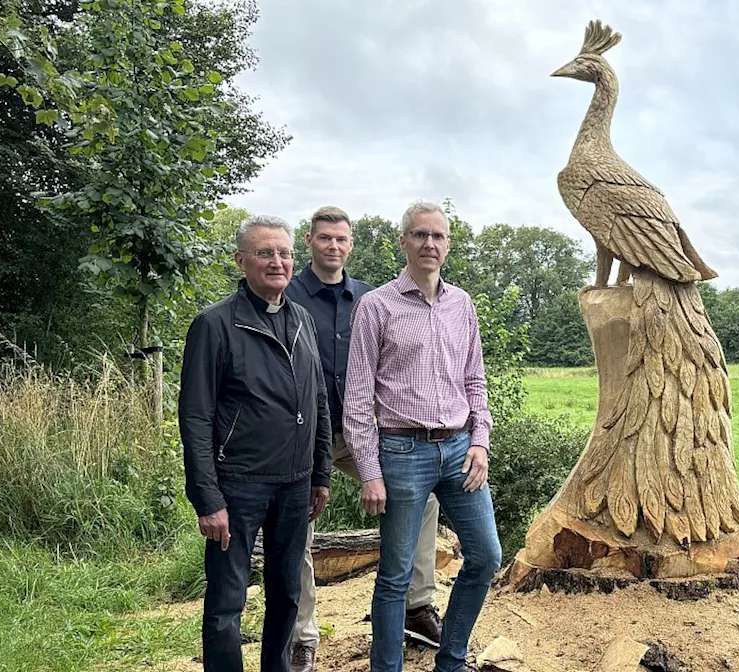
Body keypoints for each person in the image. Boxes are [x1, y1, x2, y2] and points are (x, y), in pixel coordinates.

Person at [343, 200, 502, 672]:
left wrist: (480, 441)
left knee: (486, 556)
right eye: (419, 235)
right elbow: (356, 398)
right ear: (403, 242)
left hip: (459, 450)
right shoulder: (377, 306)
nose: (429, 244)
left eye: (437, 236)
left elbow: (475, 380)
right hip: (401, 451)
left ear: (448, 245)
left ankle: (451, 661)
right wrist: (369, 471)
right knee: (394, 576)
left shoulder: (462, 304)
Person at [283, 206, 444, 671]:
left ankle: (416, 605)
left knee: (421, 498)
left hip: (358, 430)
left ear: (351, 244)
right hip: (301, 434)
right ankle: (302, 635)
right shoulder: (288, 296)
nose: (334, 246)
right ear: (309, 242)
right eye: (325, 238)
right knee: (298, 527)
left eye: (341, 239)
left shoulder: (370, 299)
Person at [179, 214, 333, 672]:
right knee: (228, 601)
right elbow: (195, 417)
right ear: (241, 260)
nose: (277, 261)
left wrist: (320, 473)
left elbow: (318, 399)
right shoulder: (215, 325)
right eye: (265, 252)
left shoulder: (302, 319)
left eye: (284, 253)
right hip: (238, 486)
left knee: (287, 592)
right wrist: (208, 499)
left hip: (294, 484)